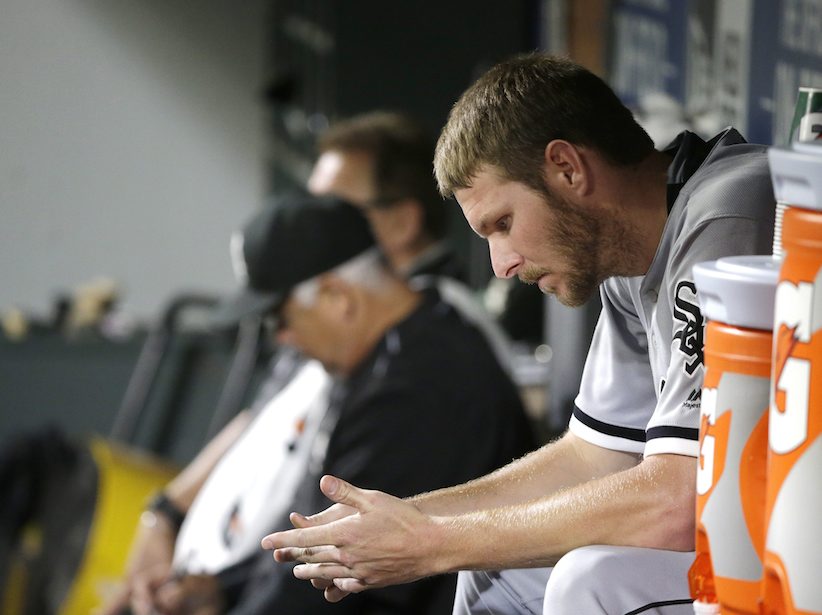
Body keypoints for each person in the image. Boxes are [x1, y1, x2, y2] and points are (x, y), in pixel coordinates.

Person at [260, 53, 777, 614]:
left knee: (590, 579)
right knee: (495, 568)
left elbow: (679, 500)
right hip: (757, 532)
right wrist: (409, 520)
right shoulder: (631, 257)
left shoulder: (729, 210)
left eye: (502, 224)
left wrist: (430, 545)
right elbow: (594, 455)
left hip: (796, 547)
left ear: (568, 169)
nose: (501, 264)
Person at [107, 195, 535, 615]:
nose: (281, 338)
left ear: (336, 297)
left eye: (282, 317)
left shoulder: (418, 387)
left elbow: (339, 580)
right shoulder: (394, 349)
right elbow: (323, 543)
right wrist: (220, 589)